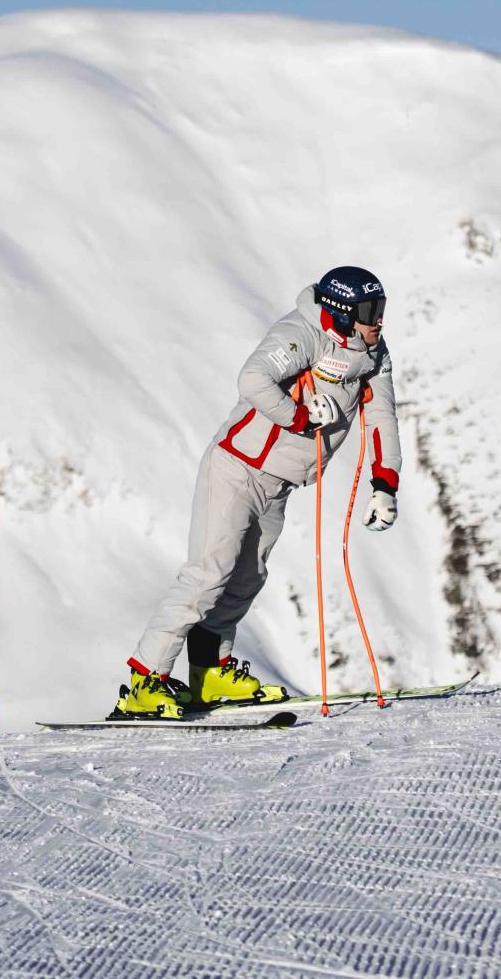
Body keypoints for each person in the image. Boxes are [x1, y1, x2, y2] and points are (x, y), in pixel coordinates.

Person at [121, 266, 403, 719]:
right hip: (237, 468)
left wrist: (385, 483)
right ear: (342, 313)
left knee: (247, 578)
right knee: (207, 575)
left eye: (381, 308)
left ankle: (209, 672)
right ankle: (144, 681)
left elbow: (383, 416)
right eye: (370, 311)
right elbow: (252, 379)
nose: (379, 320)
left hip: (280, 482)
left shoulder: (373, 353)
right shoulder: (302, 334)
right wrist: (299, 417)